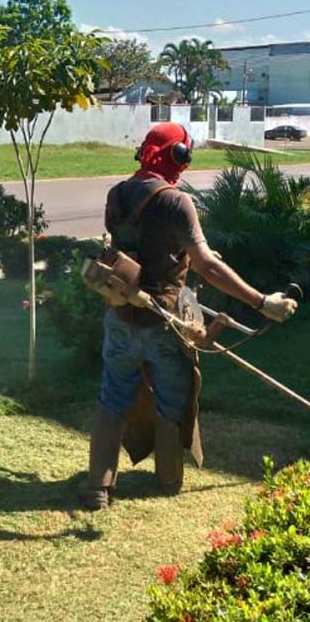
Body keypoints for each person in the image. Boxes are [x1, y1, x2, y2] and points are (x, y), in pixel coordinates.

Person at [82, 122, 298, 510]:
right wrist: (262, 301)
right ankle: (166, 480)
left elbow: (142, 248)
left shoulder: (117, 194)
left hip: (119, 312)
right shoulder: (175, 201)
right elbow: (205, 264)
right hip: (165, 322)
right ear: (177, 156)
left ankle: (99, 487)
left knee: (112, 397)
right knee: (172, 398)